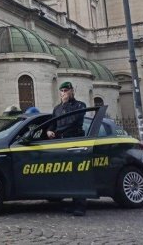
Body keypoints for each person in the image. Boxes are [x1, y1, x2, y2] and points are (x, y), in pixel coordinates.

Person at [47, 81, 87, 216]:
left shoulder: (79, 105)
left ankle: (80, 205)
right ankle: (72, 203)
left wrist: (57, 131)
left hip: (74, 142)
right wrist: (49, 131)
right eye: (62, 91)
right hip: (61, 144)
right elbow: (52, 124)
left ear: (72, 91)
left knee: (77, 174)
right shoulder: (57, 108)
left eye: (66, 90)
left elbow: (73, 121)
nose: (63, 93)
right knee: (66, 175)